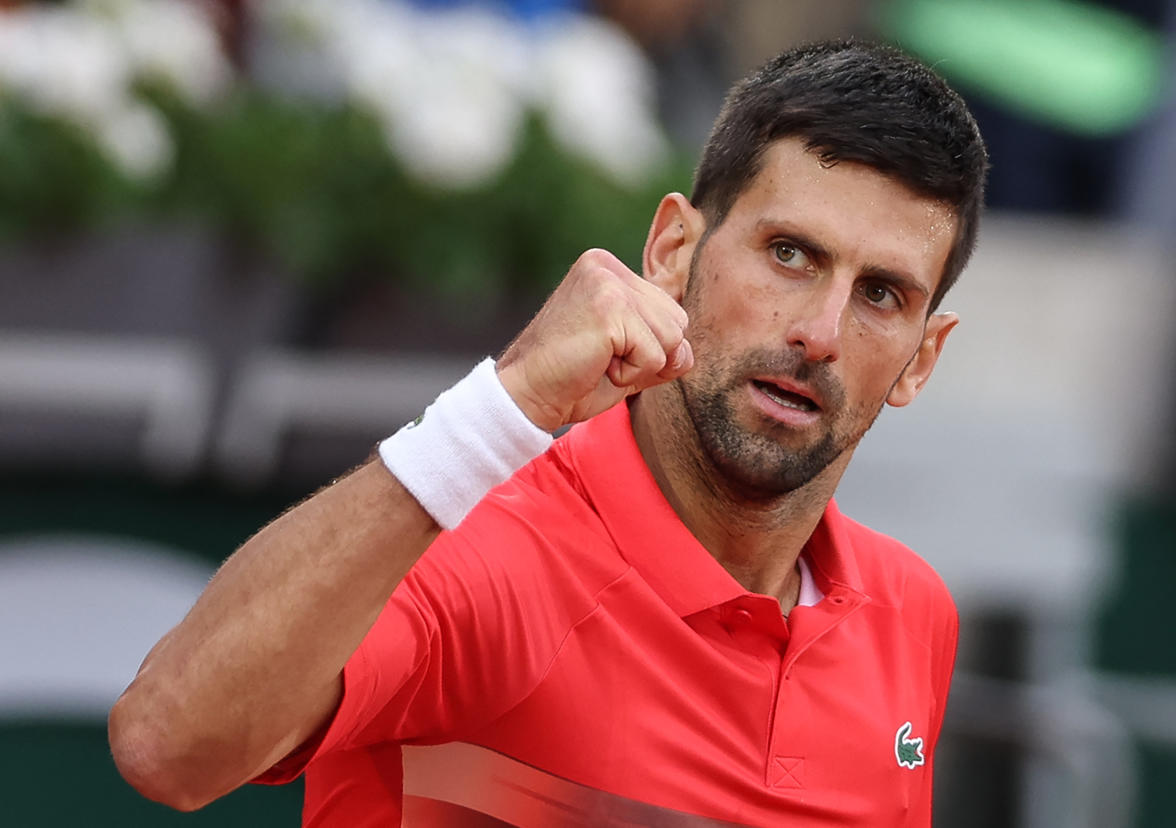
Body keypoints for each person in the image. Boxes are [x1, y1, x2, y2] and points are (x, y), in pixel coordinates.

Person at [109, 39, 988, 827]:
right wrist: (497, 412)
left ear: (921, 358)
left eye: (883, 295)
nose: (821, 333)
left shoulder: (911, 611)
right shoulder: (486, 546)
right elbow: (166, 746)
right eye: (790, 253)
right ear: (673, 251)